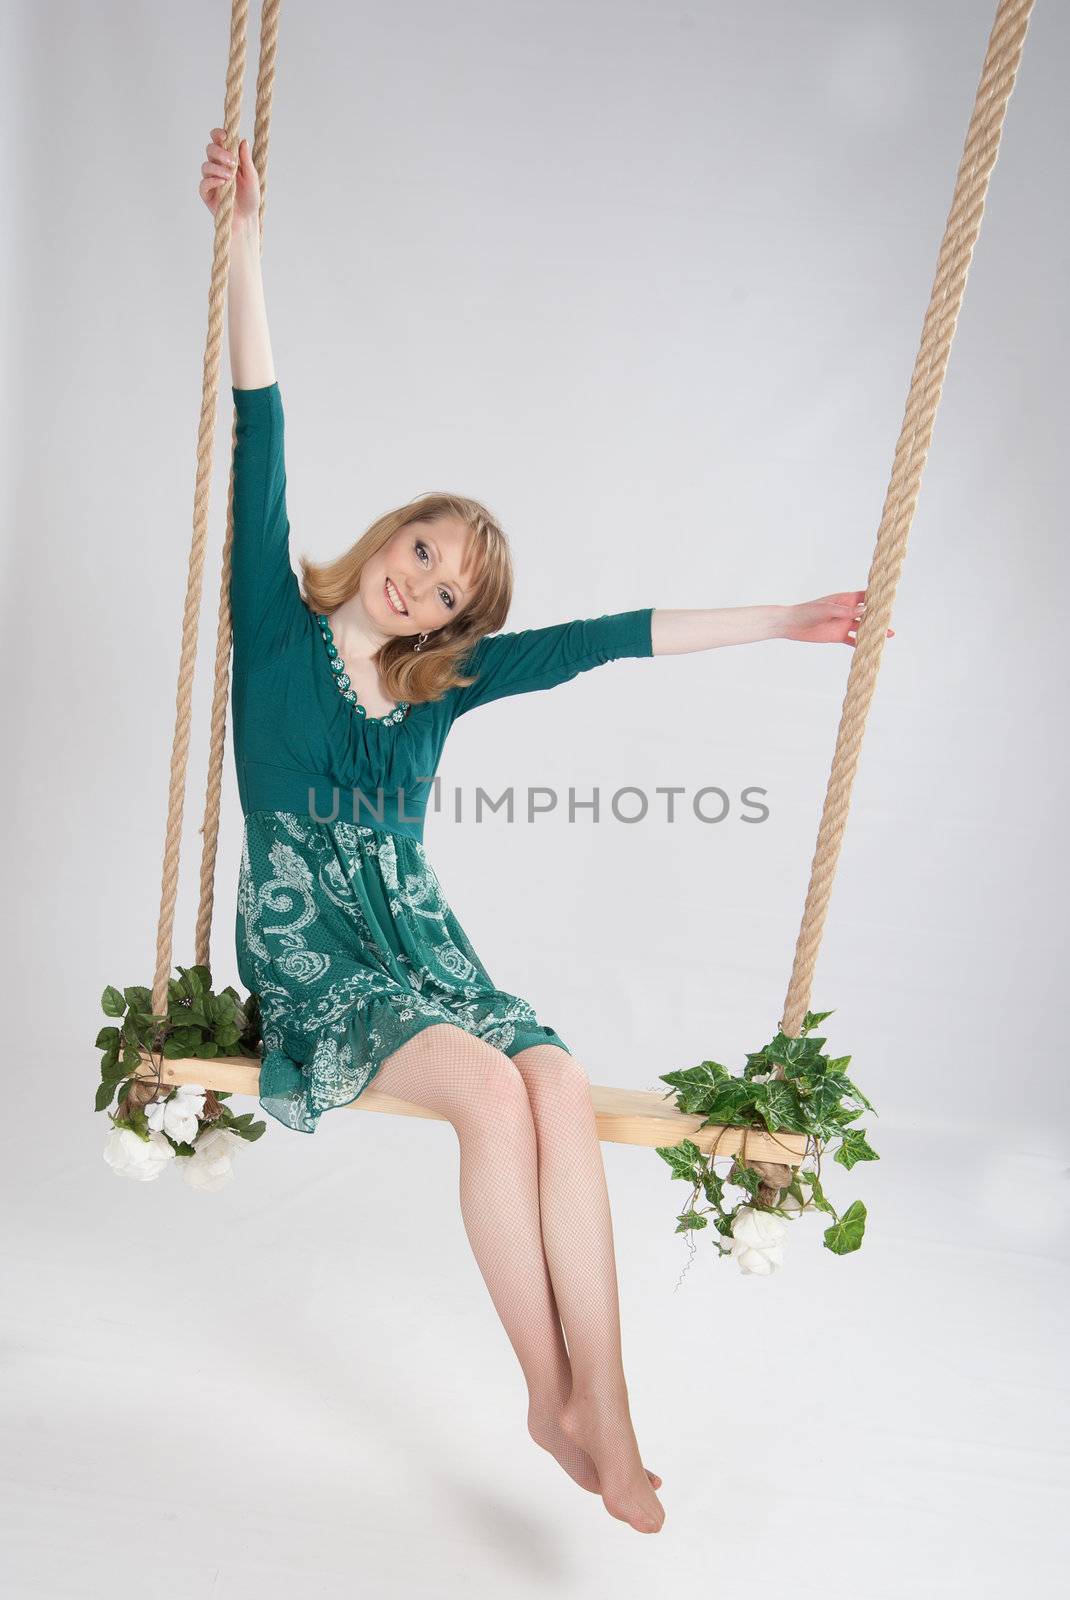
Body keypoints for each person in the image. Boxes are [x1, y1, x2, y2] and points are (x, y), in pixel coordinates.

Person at [199, 127, 890, 1536]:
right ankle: (543, 1386)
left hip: (423, 944)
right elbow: (260, 415)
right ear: (390, 539)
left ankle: (605, 1406)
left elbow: (602, 642)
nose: (426, 589)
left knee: (555, 1079)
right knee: (485, 1090)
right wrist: (242, 240)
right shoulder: (272, 621)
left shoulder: (436, 687)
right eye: (424, 554)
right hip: (314, 950)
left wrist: (777, 620)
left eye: (452, 593)